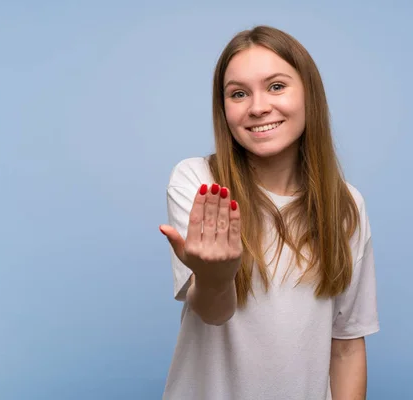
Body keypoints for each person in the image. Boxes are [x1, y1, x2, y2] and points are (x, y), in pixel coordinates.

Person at [159, 25, 379, 400]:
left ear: (310, 93)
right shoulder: (199, 181)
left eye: (276, 86)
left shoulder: (345, 206)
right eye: (238, 94)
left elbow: (345, 345)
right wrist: (214, 277)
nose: (258, 107)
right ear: (223, 109)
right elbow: (213, 313)